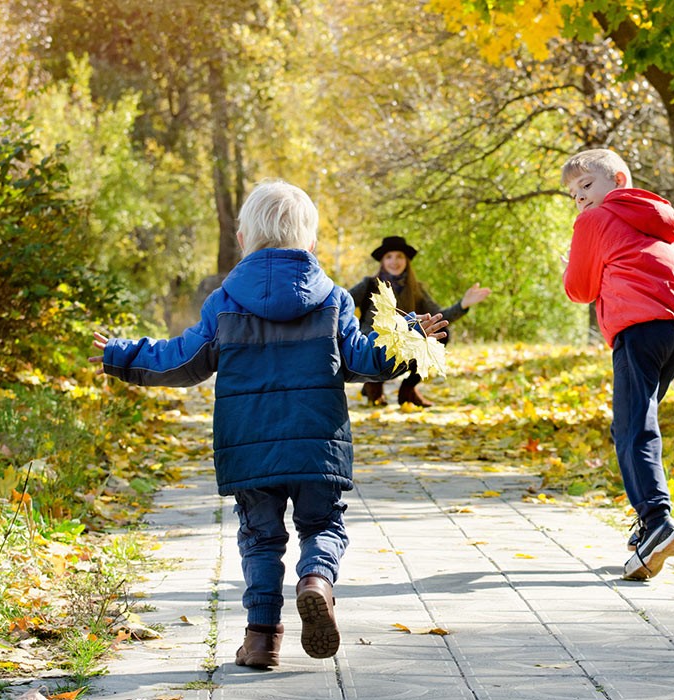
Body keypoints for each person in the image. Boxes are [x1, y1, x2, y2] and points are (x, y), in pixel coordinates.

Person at [89, 181, 447, 668]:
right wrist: (408, 337)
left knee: (259, 538)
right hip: (318, 445)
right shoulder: (333, 300)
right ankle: (317, 580)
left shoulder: (225, 301)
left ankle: (261, 639)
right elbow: (365, 361)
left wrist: (122, 354)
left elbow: (183, 360)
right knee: (323, 524)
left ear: (242, 238)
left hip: (248, 445)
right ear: (312, 243)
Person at [560, 149, 674, 581]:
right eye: (573, 193)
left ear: (618, 180)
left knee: (634, 428)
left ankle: (657, 522)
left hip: (637, 329)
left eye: (586, 186)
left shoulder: (594, 221)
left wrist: (575, 269)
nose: (579, 199)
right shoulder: (669, 225)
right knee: (634, 424)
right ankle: (647, 534)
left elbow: (579, 289)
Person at [349, 235, 491, 407]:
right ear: (383, 261)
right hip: (375, 344)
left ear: (406, 260)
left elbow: (438, 317)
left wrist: (462, 305)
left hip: (404, 343)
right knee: (380, 346)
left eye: (399, 256)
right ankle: (373, 384)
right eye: (389, 257)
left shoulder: (417, 289)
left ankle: (408, 389)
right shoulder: (369, 284)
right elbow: (343, 303)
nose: (394, 261)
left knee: (439, 335)